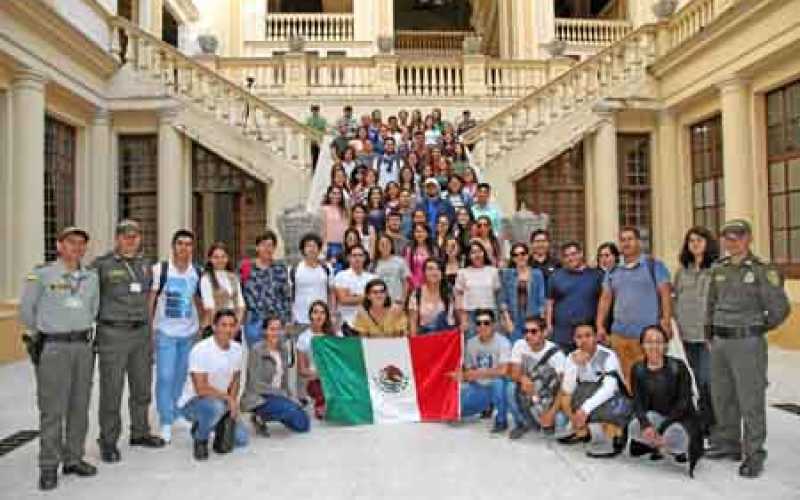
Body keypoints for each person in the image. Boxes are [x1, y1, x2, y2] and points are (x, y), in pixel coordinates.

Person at [705, 219, 790, 478]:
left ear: (748, 239)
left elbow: (780, 308)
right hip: (720, 341)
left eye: (738, 237)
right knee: (722, 395)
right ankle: (729, 443)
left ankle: (754, 453)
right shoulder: (719, 269)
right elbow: (711, 303)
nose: (732, 242)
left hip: (747, 343)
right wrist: (709, 331)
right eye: (728, 237)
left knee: (750, 398)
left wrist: (757, 328)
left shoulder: (762, 270)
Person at [20, 227, 99, 490]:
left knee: (80, 405)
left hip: (83, 346)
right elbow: (27, 311)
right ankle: (48, 465)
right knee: (52, 409)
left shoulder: (91, 277)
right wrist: (44, 331)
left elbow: (93, 308)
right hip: (54, 347)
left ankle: (73, 458)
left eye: (81, 243)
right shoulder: (42, 275)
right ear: (59, 245)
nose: (77, 247)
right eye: (71, 242)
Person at [92, 220, 165, 464]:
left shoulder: (146, 265)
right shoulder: (102, 266)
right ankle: (108, 440)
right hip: (113, 334)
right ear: (117, 238)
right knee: (112, 390)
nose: (130, 240)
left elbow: (149, 297)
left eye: (134, 236)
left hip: (141, 334)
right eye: (125, 236)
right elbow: (90, 297)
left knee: (142, 386)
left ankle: (140, 431)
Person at [596, 226, 672, 388]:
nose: (626, 243)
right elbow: (605, 299)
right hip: (620, 335)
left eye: (630, 239)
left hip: (647, 337)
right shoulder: (613, 270)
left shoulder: (654, 266)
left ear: (638, 242)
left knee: (649, 379)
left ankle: (649, 411)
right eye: (622, 240)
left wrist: (666, 321)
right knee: (624, 379)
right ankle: (632, 411)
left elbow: (665, 294)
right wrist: (600, 325)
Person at [148, 229, 202, 444]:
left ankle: (177, 412)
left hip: (188, 332)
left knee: (180, 376)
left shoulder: (196, 272)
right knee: (165, 376)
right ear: (173, 246)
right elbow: (151, 299)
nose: (184, 248)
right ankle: (166, 419)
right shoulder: (160, 270)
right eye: (180, 243)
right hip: (165, 332)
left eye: (188, 244)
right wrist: (149, 328)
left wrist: (202, 325)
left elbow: (200, 298)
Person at [629, 325, 703, 477]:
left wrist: (662, 428)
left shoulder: (678, 367)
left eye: (658, 342)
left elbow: (684, 402)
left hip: (679, 420)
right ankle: (657, 443)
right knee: (634, 427)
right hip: (655, 417)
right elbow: (637, 402)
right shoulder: (637, 369)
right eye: (649, 342)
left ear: (665, 345)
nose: (654, 346)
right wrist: (646, 426)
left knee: (674, 435)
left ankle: (667, 446)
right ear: (642, 345)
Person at [178, 309, 248, 461]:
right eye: (223, 325)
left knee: (241, 439)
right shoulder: (201, 350)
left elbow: (235, 379)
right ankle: (200, 439)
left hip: (221, 400)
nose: (228, 330)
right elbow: (200, 388)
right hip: (194, 402)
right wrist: (228, 399)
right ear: (214, 327)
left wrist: (233, 402)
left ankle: (206, 423)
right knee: (216, 408)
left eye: (231, 325)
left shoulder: (237, 349)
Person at [557, 322, 629, 458]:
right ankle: (582, 431)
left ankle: (616, 435)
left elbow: (610, 388)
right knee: (566, 397)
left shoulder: (608, 355)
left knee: (609, 403)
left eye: (588, 336)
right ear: (574, 340)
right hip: (590, 395)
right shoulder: (572, 357)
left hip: (614, 398)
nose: (583, 340)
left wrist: (585, 409)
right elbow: (568, 389)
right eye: (579, 337)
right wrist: (574, 365)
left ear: (596, 337)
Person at [673, 226, 719, 436]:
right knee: (698, 378)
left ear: (708, 243)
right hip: (688, 334)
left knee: (707, 379)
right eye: (691, 241)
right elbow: (676, 299)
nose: (695, 244)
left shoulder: (717, 270)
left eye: (699, 240)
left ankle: (711, 422)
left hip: (710, 335)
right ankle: (706, 419)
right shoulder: (682, 271)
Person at [453, 309, 520, 434]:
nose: (483, 326)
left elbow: (503, 370)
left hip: (498, 386)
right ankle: (486, 406)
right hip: (479, 387)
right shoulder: (471, 343)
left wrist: (475, 374)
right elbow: (469, 369)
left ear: (493, 324)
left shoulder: (503, 342)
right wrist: (464, 375)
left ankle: (501, 419)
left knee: (498, 382)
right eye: (479, 323)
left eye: (486, 323)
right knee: (457, 409)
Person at [241, 316, 310, 434]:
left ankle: (279, 411)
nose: (276, 333)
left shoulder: (283, 349)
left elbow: (284, 380)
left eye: (279, 329)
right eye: (272, 329)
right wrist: (282, 394)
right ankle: (259, 415)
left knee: (303, 424)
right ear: (264, 331)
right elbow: (255, 385)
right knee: (290, 411)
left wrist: (291, 397)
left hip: (279, 395)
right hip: (260, 397)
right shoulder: (256, 350)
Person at [508, 316, 568, 440]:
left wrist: (551, 413)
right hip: (528, 393)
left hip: (548, 397)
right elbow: (513, 373)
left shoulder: (557, 355)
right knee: (510, 387)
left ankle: (540, 421)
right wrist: (523, 379)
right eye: (526, 331)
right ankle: (523, 423)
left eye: (533, 331)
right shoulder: (520, 345)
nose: (528, 335)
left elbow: (564, 388)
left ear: (544, 332)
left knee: (560, 422)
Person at [546, 242, 604, 353]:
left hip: (587, 335)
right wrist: (549, 325)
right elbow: (549, 303)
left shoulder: (596, 276)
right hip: (562, 335)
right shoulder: (556, 276)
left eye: (573, 254)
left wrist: (600, 326)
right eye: (566, 256)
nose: (570, 258)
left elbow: (603, 302)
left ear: (581, 254)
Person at [242, 230, 290, 347]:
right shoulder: (246, 267)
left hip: (276, 321)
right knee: (256, 358)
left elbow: (286, 295)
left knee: (276, 358)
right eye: (263, 245)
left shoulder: (280, 268)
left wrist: (287, 320)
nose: (267, 249)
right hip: (255, 321)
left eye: (270, 245)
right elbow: (240, 294)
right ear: (257, 247)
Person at [296, 301, 337, 419]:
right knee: (321, 389)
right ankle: (321, 407)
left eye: (322, 312)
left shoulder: (334, 335)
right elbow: (302, 370)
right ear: (310, 316)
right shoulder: (304, 338)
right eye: (315, 312)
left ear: (327, 316)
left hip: (334, 377)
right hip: (315, 379)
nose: (319, 316)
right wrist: (320, 374)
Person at [500, 243, 546, 344]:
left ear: (527, 255)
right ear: (512, 258)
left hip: (533, 320)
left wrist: (542, 324)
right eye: (516, 255)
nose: (520, 257)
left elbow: (541, 300)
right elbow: (503, 300)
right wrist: (508, 321)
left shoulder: (537, 274)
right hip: (514, 321)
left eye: (522, 253)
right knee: (515, 351)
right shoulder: (507, 274)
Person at [455, 241, 501, 339]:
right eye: (473, 252)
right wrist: (463, 319)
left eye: (479, 251)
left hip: (490, 313)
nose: (477, 255)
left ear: (484, 253)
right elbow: (459, 297)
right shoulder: (462, 273)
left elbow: (497, 295)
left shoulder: (493, 271)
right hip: (471, 315)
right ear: (468, 256)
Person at [289, 233, 333, 333]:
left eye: (314, 246)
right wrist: (291, 316)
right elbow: (289, 294)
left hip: (322, 319)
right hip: (300, 319)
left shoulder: (327, 268)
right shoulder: (294, 269)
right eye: (308, 246)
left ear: (319, 249)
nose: (311, 249)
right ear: (303, 249)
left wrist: (331, 313)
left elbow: (331, 293)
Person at [200, 242, 245, 336]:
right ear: (210, 259)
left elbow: (241, 305)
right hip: (215, 328)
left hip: (234, 327)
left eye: (223, 256)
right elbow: (210, 308)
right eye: (216, 257)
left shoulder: (234, 277)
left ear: (227, 258)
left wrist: (235, 327)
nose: (220, 260)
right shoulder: (206, 279)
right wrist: (222, 329)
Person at [334, 245, 377, 335]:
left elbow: (376, 301)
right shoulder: (341, 275)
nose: (357, 258)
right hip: (346, 325)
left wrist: (353, 296)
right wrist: (366, 297)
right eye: (354, 255)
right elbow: (343, 300)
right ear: (349, 258)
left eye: (360, 255)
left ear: (365, 258)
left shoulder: (372, 278)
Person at [408, 258, 455, 336]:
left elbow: (455, 320)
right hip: (424, 339)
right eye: (430, 269)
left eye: (438, 269)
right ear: (424, 273)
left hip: (446, 339)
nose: (434, 272)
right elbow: (413, 323)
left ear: (442, 273)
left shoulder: (450, 293)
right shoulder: (416, 294)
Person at [373, 234, 410, 306]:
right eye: (382, 244)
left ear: (391, 245)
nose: (385, 246)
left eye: (387, 243)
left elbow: (405, 283)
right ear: (377, 246)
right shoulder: (373, 264)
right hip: (379, 304)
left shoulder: (400, 261)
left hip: (397, 302)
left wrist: (403, 300)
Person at [405, 222, 438, 291]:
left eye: (423, 231)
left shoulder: (433, 249)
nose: (420, 234)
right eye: (417, 231)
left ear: (427, 234)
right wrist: (413, 283)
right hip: (413, 285)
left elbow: (436, 268)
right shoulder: (409, 249)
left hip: (431, 284)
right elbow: (407, 270)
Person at [321, 186, 348, 263]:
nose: (336, 196)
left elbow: (346, 228)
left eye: (338, 193)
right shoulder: (324, 209)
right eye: (333, 193)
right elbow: (322, 228)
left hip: (343, 245)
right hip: (329, 244)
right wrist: (323, 246)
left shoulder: (344, 210)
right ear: (329, 194)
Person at [305, 104, 327, 171]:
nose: (315, 112)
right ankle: (314, 170)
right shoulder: (309, 119)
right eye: (314, 110)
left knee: (320, 156)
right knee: (314, 156)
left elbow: (324, 130)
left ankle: (319, 170)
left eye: (316, 110)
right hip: (313, 140)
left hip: (320, 140)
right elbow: (306, 128)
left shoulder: (322, 119)